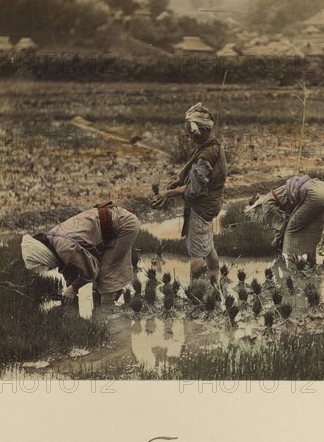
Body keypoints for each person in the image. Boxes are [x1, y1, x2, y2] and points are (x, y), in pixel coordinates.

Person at [151, 103, 227, 281]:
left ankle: (196, 289)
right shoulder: (215, 146)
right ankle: (215, 276)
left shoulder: (205, 156)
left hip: (201, 208)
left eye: (193, 133)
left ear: (201, 130)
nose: (191, 137)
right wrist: (180, 180)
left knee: (196, 252)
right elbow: (201, 177)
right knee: (207, 245)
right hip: (212, 205)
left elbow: (195, 189)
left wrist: (167, 194)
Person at [21, 202, 140, 308]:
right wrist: (69, 293)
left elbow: (91, 272)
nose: (48, 268)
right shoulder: (52, 239)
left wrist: (73, 288)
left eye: (44, 265)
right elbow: (70, 269)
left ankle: (107, 315)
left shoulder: (64, 248)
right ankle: (108, 302)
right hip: (113, 222)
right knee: (102, 277)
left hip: (124, 225)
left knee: (106, 274)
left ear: (44, 256)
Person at [246, 175, 324, 266]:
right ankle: (312, 261)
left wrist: (276, 241)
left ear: (258, 208)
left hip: (313, 196)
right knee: (311, 228)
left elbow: (283, 226)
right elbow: (289, 218)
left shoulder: (266, 205)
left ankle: (291, 267)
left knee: (290, 230)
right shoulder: (275, 197)